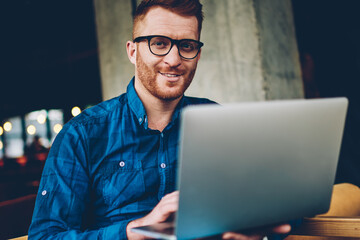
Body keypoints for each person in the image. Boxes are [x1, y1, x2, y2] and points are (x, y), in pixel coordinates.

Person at [28, 0, 292, 239]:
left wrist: (258, 230)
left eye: (187, 46)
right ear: (133, 52)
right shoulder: (82, 135)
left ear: (197, 54)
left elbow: (274, 207)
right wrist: (133, 232)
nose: (174, 60)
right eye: (159, 43)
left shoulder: (220, 122)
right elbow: (46, 236)